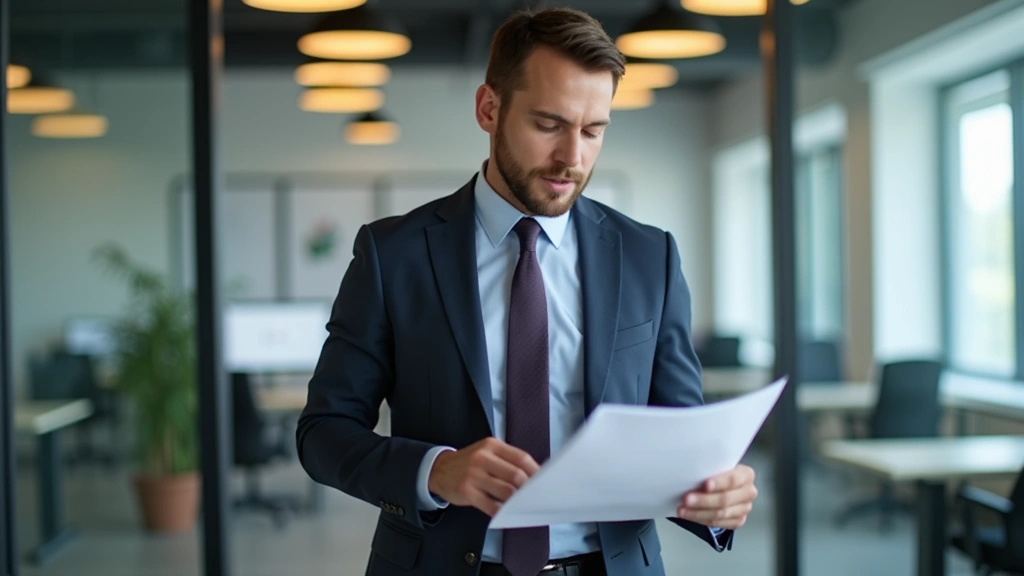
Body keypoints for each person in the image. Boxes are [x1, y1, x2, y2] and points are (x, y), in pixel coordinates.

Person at [297, 7, 758, 576]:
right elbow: (323, 432)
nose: (573, 157)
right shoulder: (394, 255)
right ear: (489, 109)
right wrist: (435, 470)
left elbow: (679, 439)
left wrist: (714, 500)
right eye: (549, 125)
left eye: (593, 131)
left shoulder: (649, 256)